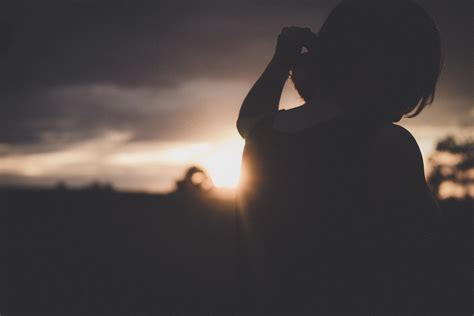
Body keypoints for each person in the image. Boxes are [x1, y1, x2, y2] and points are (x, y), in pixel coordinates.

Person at [235, 0, 443, 312]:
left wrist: (281, 62)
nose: (404, 108)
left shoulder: (265, 134)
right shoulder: (388, 144)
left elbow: (250, 118)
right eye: (410, 84)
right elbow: (422, 249)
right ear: (389, 77)